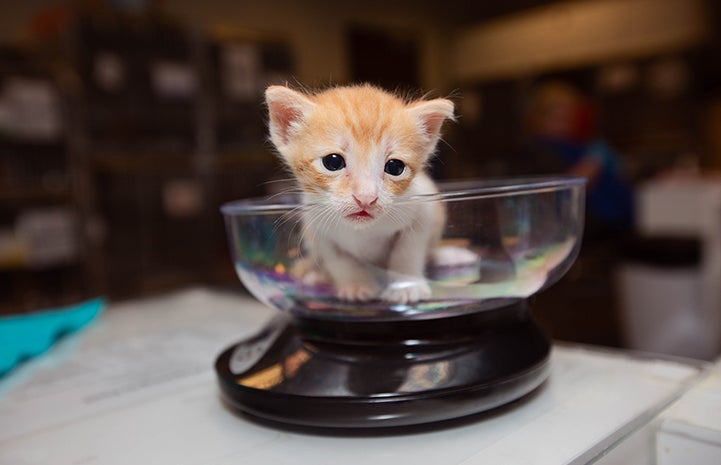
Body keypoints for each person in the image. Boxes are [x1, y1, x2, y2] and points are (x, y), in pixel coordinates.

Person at [521, 81, 634, 238]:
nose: (565, 121)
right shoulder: (537, 149)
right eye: (558, 114)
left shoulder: (577, 144)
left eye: (570, 114)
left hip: (615, 229)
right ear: (540, 116)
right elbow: (556, 195)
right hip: (582, 235)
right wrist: (593, 162)